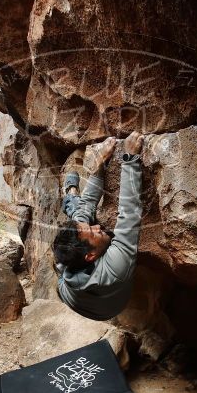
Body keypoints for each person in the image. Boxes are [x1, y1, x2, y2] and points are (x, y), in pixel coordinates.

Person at [52, 131, 145, 321]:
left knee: (80, 213)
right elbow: (129, 213)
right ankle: (70, 197)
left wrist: (100, 162)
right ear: (91, 256)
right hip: (108, 309)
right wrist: (129, 158)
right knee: (77, 212)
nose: (97, 227)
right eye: (93, 233)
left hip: (75, 289)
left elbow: (87, 209)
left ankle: (70, 195)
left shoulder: (78, 253)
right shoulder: (115, 268)